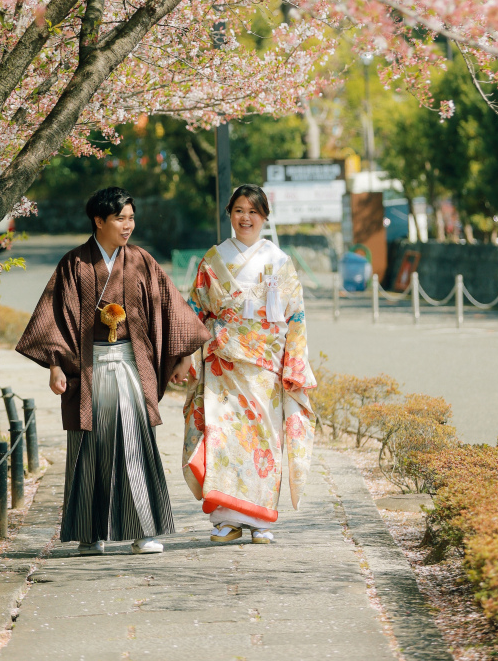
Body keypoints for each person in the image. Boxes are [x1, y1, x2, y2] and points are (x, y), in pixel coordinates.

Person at [16, 186, 210, 555]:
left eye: (131, 218)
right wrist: (55, 366)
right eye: (120, 218)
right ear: (99, 220)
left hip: (130, 364)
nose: (128, 225)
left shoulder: (139, 260)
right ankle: (91, 535)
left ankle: (144, 531)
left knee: (136, 442)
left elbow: (171, 307)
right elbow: (54, 318)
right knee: (90, 446)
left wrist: (185, 354)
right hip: (87, 369)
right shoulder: (74, 264)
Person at [182, 183, 316, 544]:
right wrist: (186, 356)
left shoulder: (279, 261)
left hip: (265, 365)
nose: (246, 218)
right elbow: (195, 309)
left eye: (253, 212)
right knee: (224, 435)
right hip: (224, 364)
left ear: (265, 217)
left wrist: (295, 364)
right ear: (230, 214)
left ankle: (261, 520)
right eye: (239, 210)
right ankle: (225, 520)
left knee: (264, 439)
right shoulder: (214, 259)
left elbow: (296, 316)